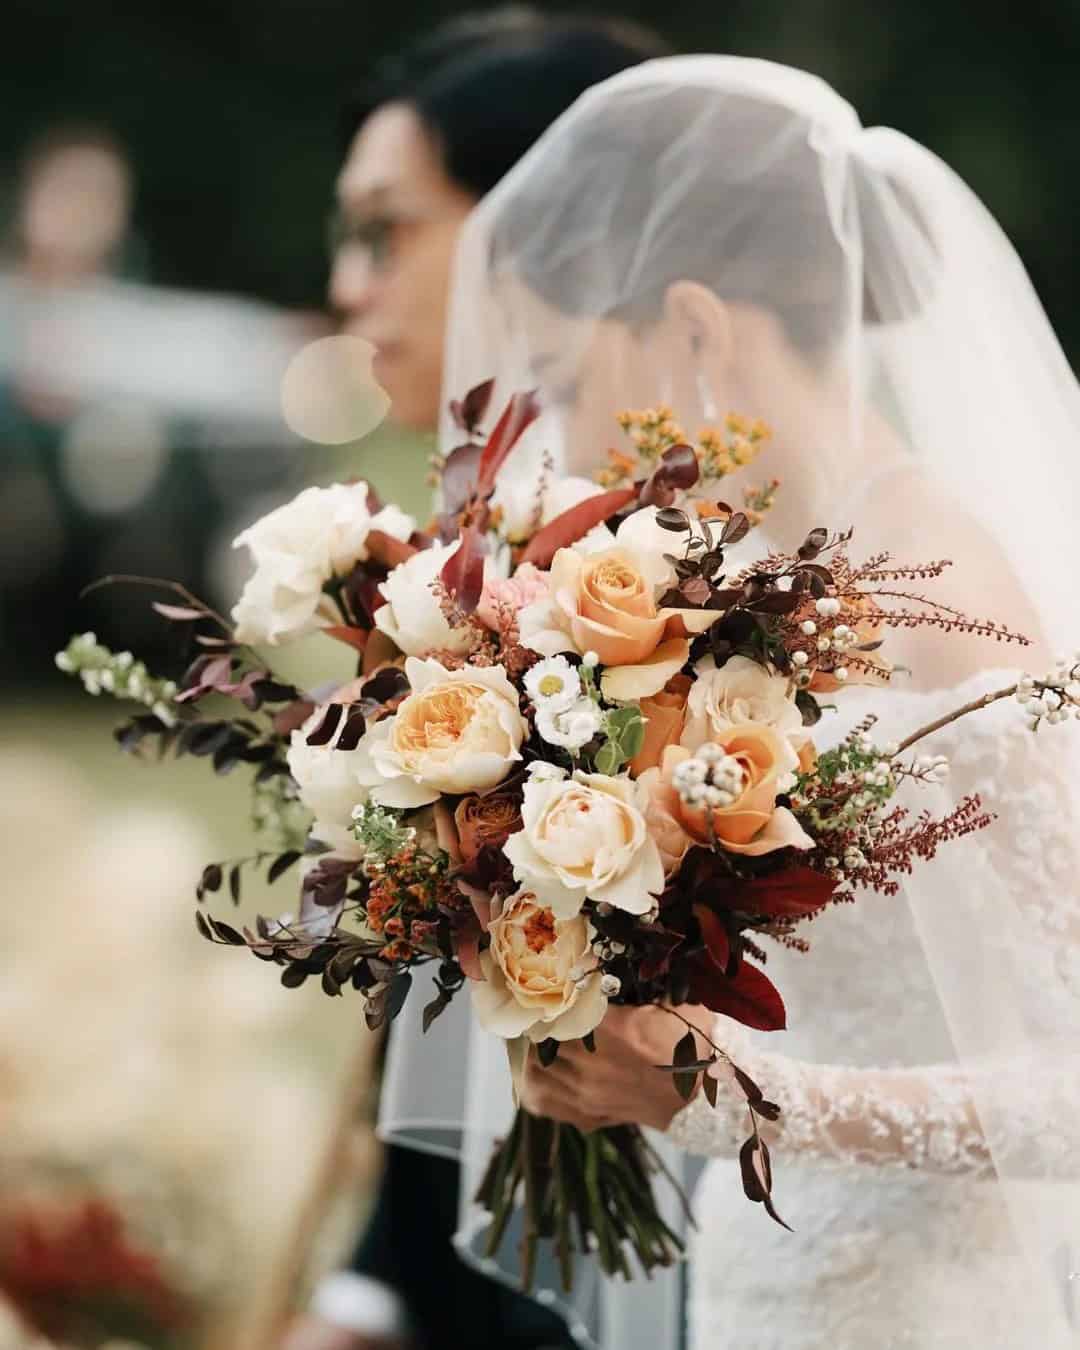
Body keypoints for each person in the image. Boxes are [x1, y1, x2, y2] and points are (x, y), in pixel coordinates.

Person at [428, 55, 1080, 1348]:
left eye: (561, 373)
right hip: (755, 1276)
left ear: (695, 327)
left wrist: (738, 1091)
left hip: (923, 1309)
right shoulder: (726, 594)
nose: (557, 429)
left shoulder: (944, 587)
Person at [285, 13, 670, 1350]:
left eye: (385, 231)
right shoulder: (481, 556)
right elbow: (447, 1057)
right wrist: (366, 1295)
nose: (346, 285)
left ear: (538, 231)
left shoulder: (686, 602)